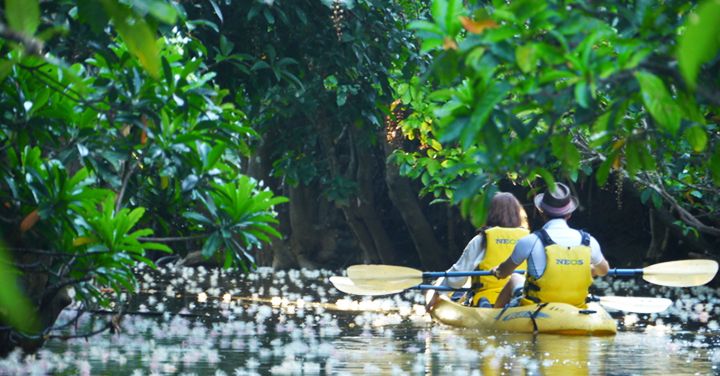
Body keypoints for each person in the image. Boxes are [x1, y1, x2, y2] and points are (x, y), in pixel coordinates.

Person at [490, 182, 610, 308]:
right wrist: (585, 269)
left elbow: (503, 273)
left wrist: (496, 271)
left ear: (541, 211)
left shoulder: (529, 241)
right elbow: (603, 270)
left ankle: (492, 314)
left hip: (537, 308)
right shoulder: (589, 241)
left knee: (515, 277)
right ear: (569, 214)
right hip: (576, 307)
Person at [426, 192, 530, 311]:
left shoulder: (482, 239)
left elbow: (457, 278)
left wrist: (436, 295)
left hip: (488, 302)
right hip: (522, 302)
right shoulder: (530, 239)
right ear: (517, 214)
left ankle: (484, 305)